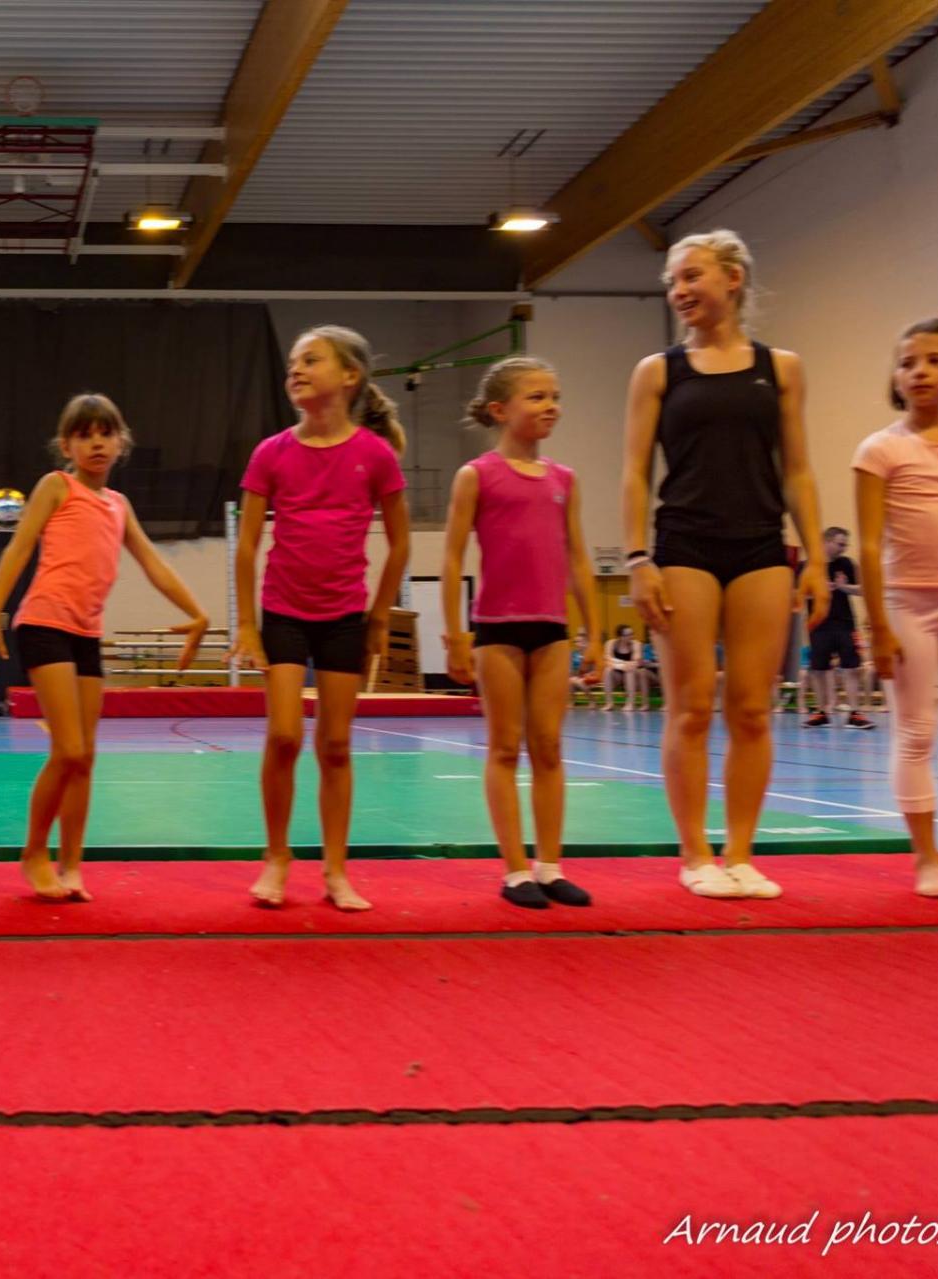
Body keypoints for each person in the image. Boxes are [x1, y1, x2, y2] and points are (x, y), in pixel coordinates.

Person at [621, 229, 828, 899]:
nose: (679, 290)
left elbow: (797, 469)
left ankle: (740, 852)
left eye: (692, 276)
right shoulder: (658, 372)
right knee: (690, 707)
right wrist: (636, 557)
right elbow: (634, 472)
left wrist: (815, 556)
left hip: (760, 545)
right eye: (672, 282)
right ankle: (695, 853)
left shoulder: (782, 368)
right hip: (684, 544)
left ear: (732, 278)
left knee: (752, 709)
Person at [0, 393, 207, 902]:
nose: (97, 443)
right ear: (66, 446)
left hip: (85, 633)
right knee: (70, 749)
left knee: (85, 758)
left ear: (122, 442)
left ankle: (72, 864)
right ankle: (34, 853)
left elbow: (152, 563)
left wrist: (197, 612)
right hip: (44, 623)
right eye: (84, 435)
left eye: (106, 433)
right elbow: (18, 549)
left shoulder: (119, 505)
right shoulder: (56, 487)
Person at [229, 326, 409, 909]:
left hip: (343, 615)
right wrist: (248, 624)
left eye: (311, 360)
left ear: (349, 376)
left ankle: (335, 868)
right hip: (284, 610)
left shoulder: (374, 455)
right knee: (283, 736)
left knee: (335, 744)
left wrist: (379, 615)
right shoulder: (272, 452)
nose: (297, 370)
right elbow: (247, 546)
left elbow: (401, 544)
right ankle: (276, 855)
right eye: (293, 362)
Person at [441, 357, 598, 908]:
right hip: (498, 629)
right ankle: (514, 871)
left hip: (552, 627)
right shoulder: (477, 476)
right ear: (500, 410)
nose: (551, 405)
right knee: (505, 747)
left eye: (555, 396)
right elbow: (452, 556)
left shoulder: (563, 480)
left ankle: (550, 866)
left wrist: (595, 634)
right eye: (537, 397)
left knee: (549, 746)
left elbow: (578, 558)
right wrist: (455, 636)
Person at [855, 315, 938, 898]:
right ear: (895, 379)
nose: (919, 372)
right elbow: (868, 546)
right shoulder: (881, 449)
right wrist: (878, 625)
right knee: (916, 730)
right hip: (909, 603)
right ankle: (926, 856)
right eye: (907, 363)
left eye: (935, 360)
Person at [804, 527, 873, 728]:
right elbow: (798, 593)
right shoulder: (810, 566)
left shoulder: (847, 564)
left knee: (851, 667)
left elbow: (863, 589)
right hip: (818, 624)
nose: (844, 548)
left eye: (845, 545)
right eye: (840, 544)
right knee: (819, 669)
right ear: (827, 542)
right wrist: (818, 590)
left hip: (844, 623)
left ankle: (854, 713)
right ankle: (821, 712)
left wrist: (844, 587)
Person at [603, 626, 645, 711]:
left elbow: (637, 661)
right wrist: (623, 665)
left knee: (629, 671)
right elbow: (608, 659)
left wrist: (625, 665)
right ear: (620, 636)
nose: (631, 636)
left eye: (632, 634)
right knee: (607, 670)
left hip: (633, 675)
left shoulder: (636, 644)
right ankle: (609, 703)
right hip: (618, 674)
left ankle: (631, 704)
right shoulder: (610, 643)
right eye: (628, 635)